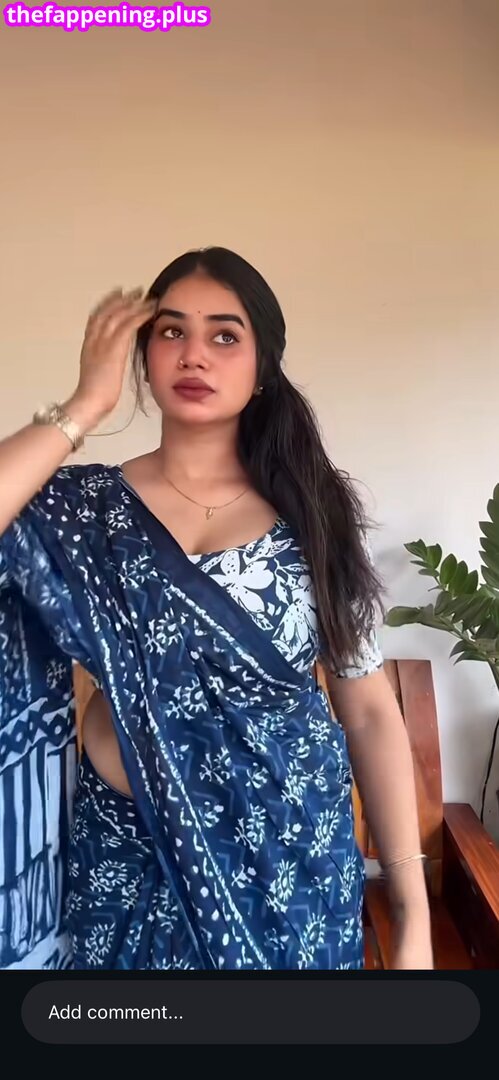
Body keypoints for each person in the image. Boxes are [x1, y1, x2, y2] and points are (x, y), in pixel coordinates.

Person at [0, 247, 432, 971]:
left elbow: (365, 712)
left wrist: (411, 912)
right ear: (142, 357)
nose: (193, 353)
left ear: (262, 368)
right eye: (171, 331)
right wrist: (83, 408)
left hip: (286, 874)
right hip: (122, 866)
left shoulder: (314, 516)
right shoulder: (84, 509)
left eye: (224, 335)